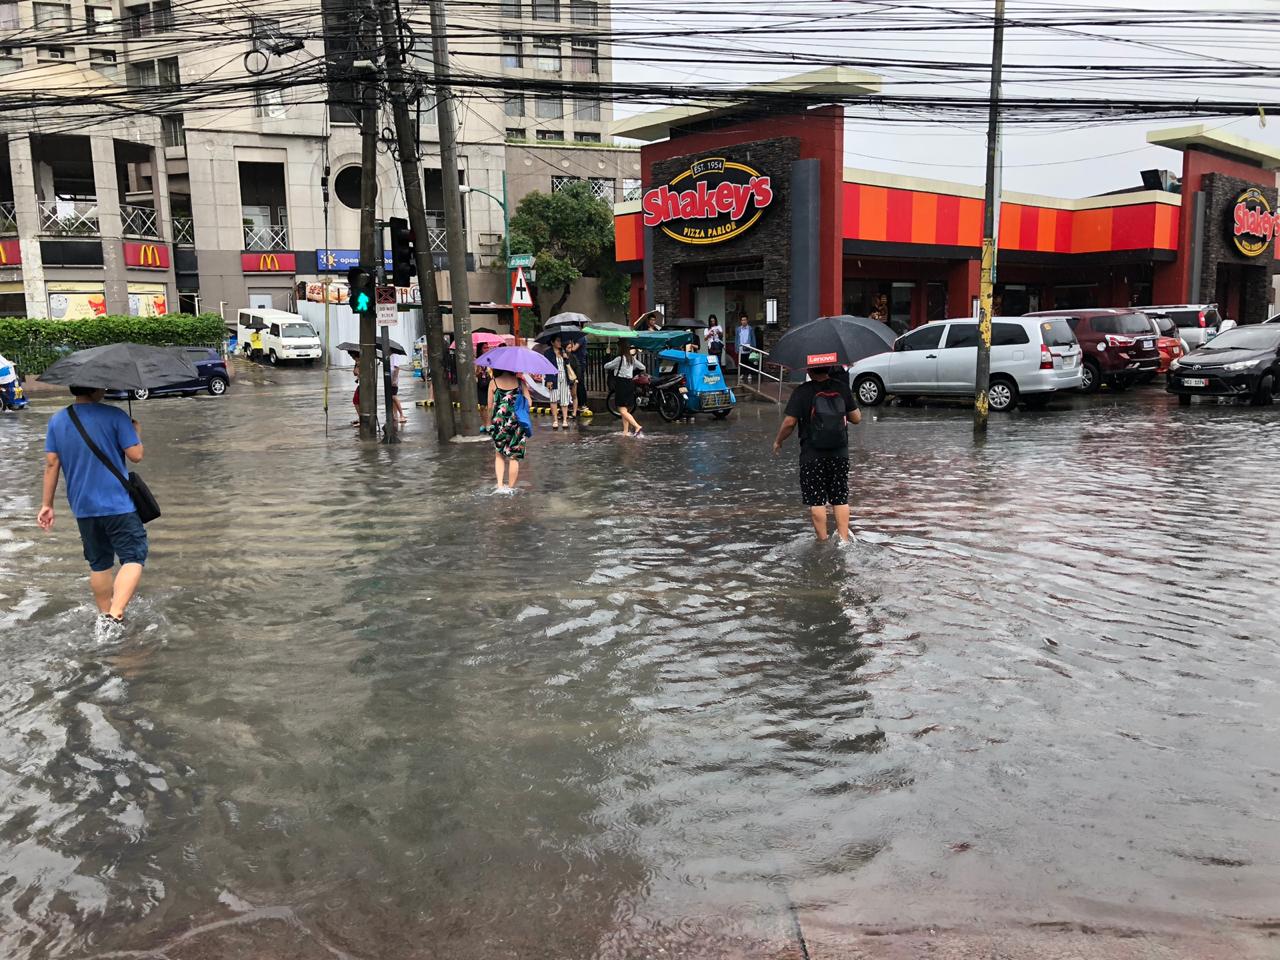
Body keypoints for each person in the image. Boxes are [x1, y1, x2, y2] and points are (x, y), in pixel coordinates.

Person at [37, 385, 147, 632]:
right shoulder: (116, 416)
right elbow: (136, 455)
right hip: (117, 504)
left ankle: (104, 615)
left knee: (99, 563)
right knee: (133, 556)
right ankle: (116, 614)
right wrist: (135, 432)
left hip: (83, 507)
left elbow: (51, 464)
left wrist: (47, 504)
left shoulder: (57, 420)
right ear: (96, 387)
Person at [772, 366, 862, 543]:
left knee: (817, 500)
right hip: (839, 452)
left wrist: (778, 441)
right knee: (840, 497)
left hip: (812, 454)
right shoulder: (841, 387)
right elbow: (857, 418)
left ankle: (823, 541)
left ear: (809, 371)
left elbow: (790, 422)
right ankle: (844, 540)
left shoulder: (802, 391)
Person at [488, 367, 532, 490]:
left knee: (499, 454)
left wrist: (487, 423)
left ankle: (500, 485)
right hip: (517, 422)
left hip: (499, 423)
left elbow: (490, 406)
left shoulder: (494, 382)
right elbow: (529, 402)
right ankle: (511, 488)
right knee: (514, 456)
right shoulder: (520, 382)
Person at [605, 344, 645, 437]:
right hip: (630, 384)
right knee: (625, 408)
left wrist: (607, 354)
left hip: (621, 384)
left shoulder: (619, 359)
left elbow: (606, 366)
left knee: (622, 410)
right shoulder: (632, 359)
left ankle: (637, 426)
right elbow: (642, 367)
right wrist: (632, 372)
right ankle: (625, 431)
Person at [548, 336, 576, 429]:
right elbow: (547, 367)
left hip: (564, 376)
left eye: (560, 341)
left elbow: (568, 364)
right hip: (554, 377)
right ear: (552, 342)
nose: (560, 343)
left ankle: (564, 420)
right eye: (558, 341)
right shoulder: (548, 353)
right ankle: (555, 420)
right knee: (553, 398)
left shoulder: (563, 351)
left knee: (564, 398)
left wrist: (566, 357)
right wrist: (549, 380)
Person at [565, 338, 588, 418]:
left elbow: (577, 367)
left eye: (570, 348)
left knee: (575, 394)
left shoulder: (573, 357)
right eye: (568, 348)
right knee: (566, 396)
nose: (571, 349)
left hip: (573, 378)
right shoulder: (562, 357)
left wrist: (577, 378)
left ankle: (579, 407)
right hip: (565, 379)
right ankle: (567, 411)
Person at [476, 343, 493, 433]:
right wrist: (479, 369)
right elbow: (475, 373)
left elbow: (493, 371)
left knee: (489, 405)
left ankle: (488, 423)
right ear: (480, 349)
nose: (486, 349)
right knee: (482, 406)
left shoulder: (490, 359)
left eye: (487, 347)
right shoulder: (477, 360)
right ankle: (484, 423)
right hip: (480, 384)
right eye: (484, 348)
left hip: (489, 383)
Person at [389, 351, 407, 424]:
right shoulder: (390, 356)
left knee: (394, 397)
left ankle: (401, 414)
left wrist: (394, 379)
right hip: (390, 379)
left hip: (393, 380)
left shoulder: (394, 355)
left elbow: (397, 368)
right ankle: (395, 415)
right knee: (392, 397)